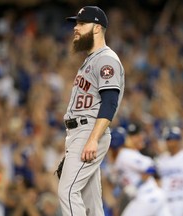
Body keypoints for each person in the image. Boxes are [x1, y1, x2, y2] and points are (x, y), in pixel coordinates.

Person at [57, 6, 125, 216]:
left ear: (96, 28)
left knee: (67, 191)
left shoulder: (106, 59)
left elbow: (110, 103)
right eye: (75, 24)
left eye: (81, 23)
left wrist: (93, 139)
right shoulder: (92, 59)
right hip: (80, 132)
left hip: (89, 131)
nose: (76, 28)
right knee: (91, 203)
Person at [114, 122, 171, 216]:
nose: (137, 138)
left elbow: (152, 166)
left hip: (147, 196)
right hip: (152, 197)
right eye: (133, 136)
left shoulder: (125, 154)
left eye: (137, 135)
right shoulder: (128, 154)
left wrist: (137, 184)